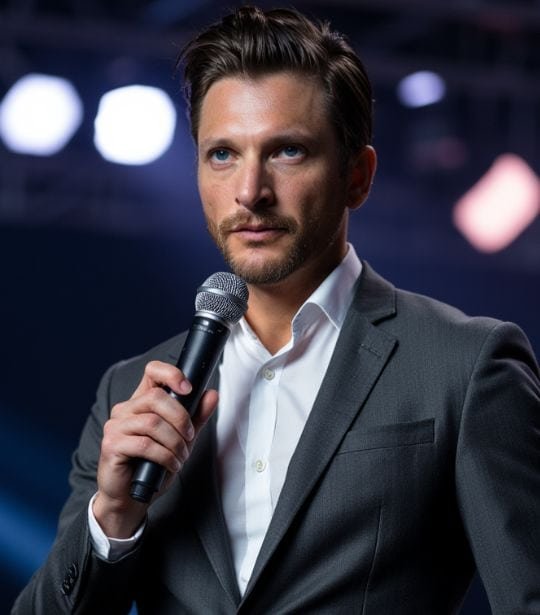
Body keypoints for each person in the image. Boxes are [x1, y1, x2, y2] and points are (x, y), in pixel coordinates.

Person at [12, 6, 540, 614]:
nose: (249, 192)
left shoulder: (464, 366)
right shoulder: (130, 392)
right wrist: (112, 515)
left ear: (358, 176)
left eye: (287, 151)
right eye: (222, 154)